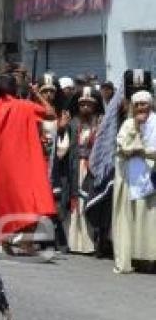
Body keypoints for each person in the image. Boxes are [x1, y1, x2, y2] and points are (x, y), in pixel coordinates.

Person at [0, 74, 57, 253]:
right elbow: (51, 113)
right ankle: (24, 241)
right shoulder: (23, 106)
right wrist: (36, 93)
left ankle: (10, 237)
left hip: (0, 167)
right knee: (31, 201)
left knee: (9, 202)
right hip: (23, 163)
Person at [112, 90, 156, 273]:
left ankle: (150, 257)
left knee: (149, 219)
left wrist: (140, 151)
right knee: (128, 218)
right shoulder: (128, 124)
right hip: (129, 177)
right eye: (137, 104)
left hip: (151, 176)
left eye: (143, 104)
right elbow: (122, 146)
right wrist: (136, 130)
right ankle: (130, 257)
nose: (140, 108)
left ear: (150, 105)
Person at [59, 87, 104, 254]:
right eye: (82, 104)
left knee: (89, 202)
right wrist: (61, 129)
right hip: (75, 168)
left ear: (95, 106)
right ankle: (74, 243)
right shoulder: (72, 123)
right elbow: (62, 148)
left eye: (89, 104)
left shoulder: (100, 122)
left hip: (92, 169)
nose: (85, 107)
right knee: (75, 203)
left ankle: (91, 243)